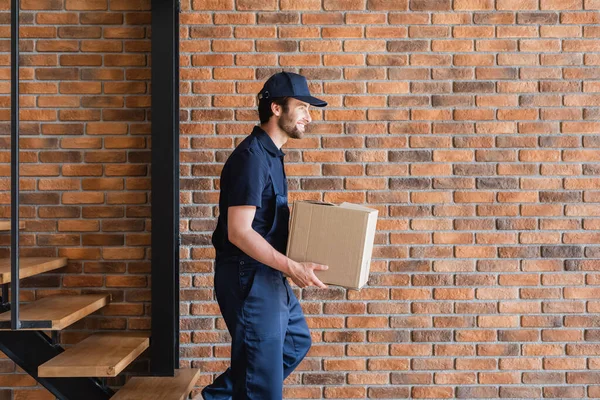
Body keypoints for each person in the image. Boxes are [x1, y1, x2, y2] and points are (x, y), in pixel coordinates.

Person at [202, 72, 329, 400]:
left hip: (269, 274)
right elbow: (239, 232)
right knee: (262, 386)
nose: (308, 116)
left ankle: (216, 398)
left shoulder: (272, 154)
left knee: (294, 343)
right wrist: (292, 267)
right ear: (276, 108)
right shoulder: (252, 159)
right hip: (250, 278)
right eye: (301, 107)